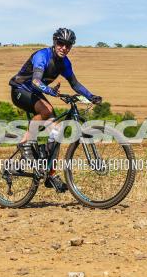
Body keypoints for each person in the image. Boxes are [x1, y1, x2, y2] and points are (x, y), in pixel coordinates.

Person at [8, 27, 102, 192]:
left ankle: (50, 174)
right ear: (54, 42)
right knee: (47, 109)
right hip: (20, 90)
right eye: (61, 43)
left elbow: (75, 84)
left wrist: (91, 96)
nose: (64, 48)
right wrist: (51, 91)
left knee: (57, 131)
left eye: (68, 45)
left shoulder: (65, 63)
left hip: (35, 94)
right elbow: (36, 81)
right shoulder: (42, 56)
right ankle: (25, 144)